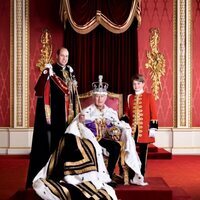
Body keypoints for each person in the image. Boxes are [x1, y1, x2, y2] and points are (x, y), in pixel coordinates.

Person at [76, 75, 148, 186]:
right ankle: (95, 176)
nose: (99, 99)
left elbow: (118, 125)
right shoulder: (87, 110)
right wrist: (81, 121)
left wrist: (118, 129)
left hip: (104, 139)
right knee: (95, 146)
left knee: (116, 146)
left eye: (102, 97)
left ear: (106, 98)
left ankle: (108, 176)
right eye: (97, 96)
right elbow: (78, 126)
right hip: (90, 139)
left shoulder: (110, 112)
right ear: (94, 97)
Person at [26, 47, 77, 188]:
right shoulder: (50, 70)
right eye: (62, 55)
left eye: (67, 56)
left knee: (67, 145)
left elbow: (73, 95)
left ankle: (66, 173)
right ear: (57, 56)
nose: (64, 58)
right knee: (55, 145)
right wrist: (47, 114)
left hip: (68, 115)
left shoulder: (70, 72)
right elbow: (41, 91)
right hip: (55, 115)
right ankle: (53, 175)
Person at [123, 74, 158, 177]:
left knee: (143, 154)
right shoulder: (130, 97)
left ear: (143, 84)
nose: (136, 86)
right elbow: (127, 113)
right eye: (134, 84)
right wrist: (123, 120)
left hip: (145, 131)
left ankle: (141, 174)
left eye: (138, 83)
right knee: (131, 152)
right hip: (132, 130)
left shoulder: (149, 96)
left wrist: (153, 128)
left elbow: (154, 113)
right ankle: (130, 174)